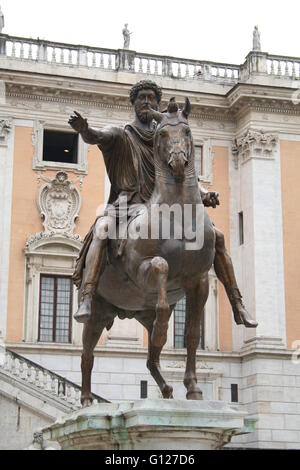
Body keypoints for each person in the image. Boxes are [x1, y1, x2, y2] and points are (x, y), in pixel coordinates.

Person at [69, 80, 257, 328]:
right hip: (128, 205)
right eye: (141, 98)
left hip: (167, 207)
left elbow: (184, 175)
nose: (146, 102)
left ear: (158, 104)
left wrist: (203, 193)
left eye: (151, 98)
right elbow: (96, 136)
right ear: (133, 103)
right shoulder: (121, 135)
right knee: (103, 228)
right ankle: (88, 296)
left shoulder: (167, 137)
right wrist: (84, 130)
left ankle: (237, 302)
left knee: (217, 236)